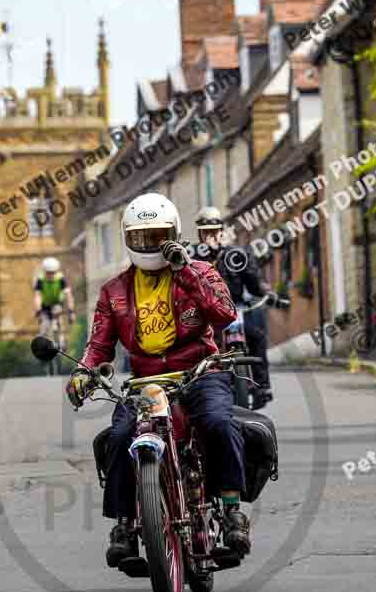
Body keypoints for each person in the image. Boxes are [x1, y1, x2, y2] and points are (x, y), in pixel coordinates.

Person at [65, 193, 251, 567]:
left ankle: (232, 511)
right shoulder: (114, 291)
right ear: (128, 239)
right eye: (141, 237)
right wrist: (84, 373)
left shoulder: (200, 271)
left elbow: (224, 313)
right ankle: (124, 525)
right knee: (118, 437)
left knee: (218, 422)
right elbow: (99, 343)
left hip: (200, 370)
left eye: (158, 236)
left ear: (175, 235)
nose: (149, 244)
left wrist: (186, 271)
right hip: (147, 383)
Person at [191, 207, 272, 400]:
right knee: (195, 343)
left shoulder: (236, 255)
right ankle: (196, 387)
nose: (211, 236)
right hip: (206, 314)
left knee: (256, 336)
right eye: (206, 232)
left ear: (222, 231)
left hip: (235, 310)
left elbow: (253, 282)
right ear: (199, 233)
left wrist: (265, 290)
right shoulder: (191, 257)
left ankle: (262, 386)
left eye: (215, 231)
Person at [34, 257, 76, 345]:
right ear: (45, 271)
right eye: (48, 273)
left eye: (53, 273)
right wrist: (38, 312)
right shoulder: (40, 280)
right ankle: (44, 345)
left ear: (56, 271)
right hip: (45, 306)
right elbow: (37, 297)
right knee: (44, 327)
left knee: (58, 318)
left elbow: (68, 295)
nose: (50, 275)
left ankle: (61, 341)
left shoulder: (61, 279)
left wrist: (71, 311)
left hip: (57, 304)